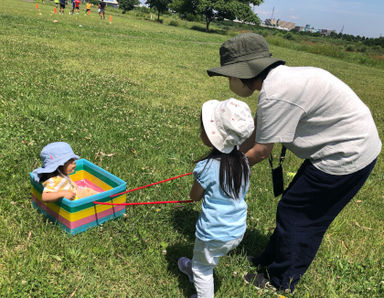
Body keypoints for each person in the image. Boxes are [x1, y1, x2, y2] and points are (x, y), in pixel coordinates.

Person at [206, 32, 382, 292]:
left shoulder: (275, 94)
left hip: (347, 155)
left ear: (245, 73)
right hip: (342, 146)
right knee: (293, 206)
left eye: (230, 76)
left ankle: (280, 281)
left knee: (300, 216)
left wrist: (223, 170)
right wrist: (227, 156)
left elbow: (262, 150)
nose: (230, 81)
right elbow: (259, 130)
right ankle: (270, 259)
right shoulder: (280, 81)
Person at [177, 98, 254, 298]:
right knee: (206, 258)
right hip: (236, 230)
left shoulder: (206, 167)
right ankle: (195, 266)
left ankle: (199, 276)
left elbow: (194, 196)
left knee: (204, 270)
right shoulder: (244, 163)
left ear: (211, 137)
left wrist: (199, 180)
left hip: (212, 233)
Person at [32, 142, 99, 202]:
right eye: (70, 160)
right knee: (94, 196)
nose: (74, 162)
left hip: (74, 193)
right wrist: (62, 194)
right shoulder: (54, 180)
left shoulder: (62, 174)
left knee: (91, 192)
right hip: (74, 200)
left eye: (73, 159)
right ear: (59, 166)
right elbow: (45, 197)